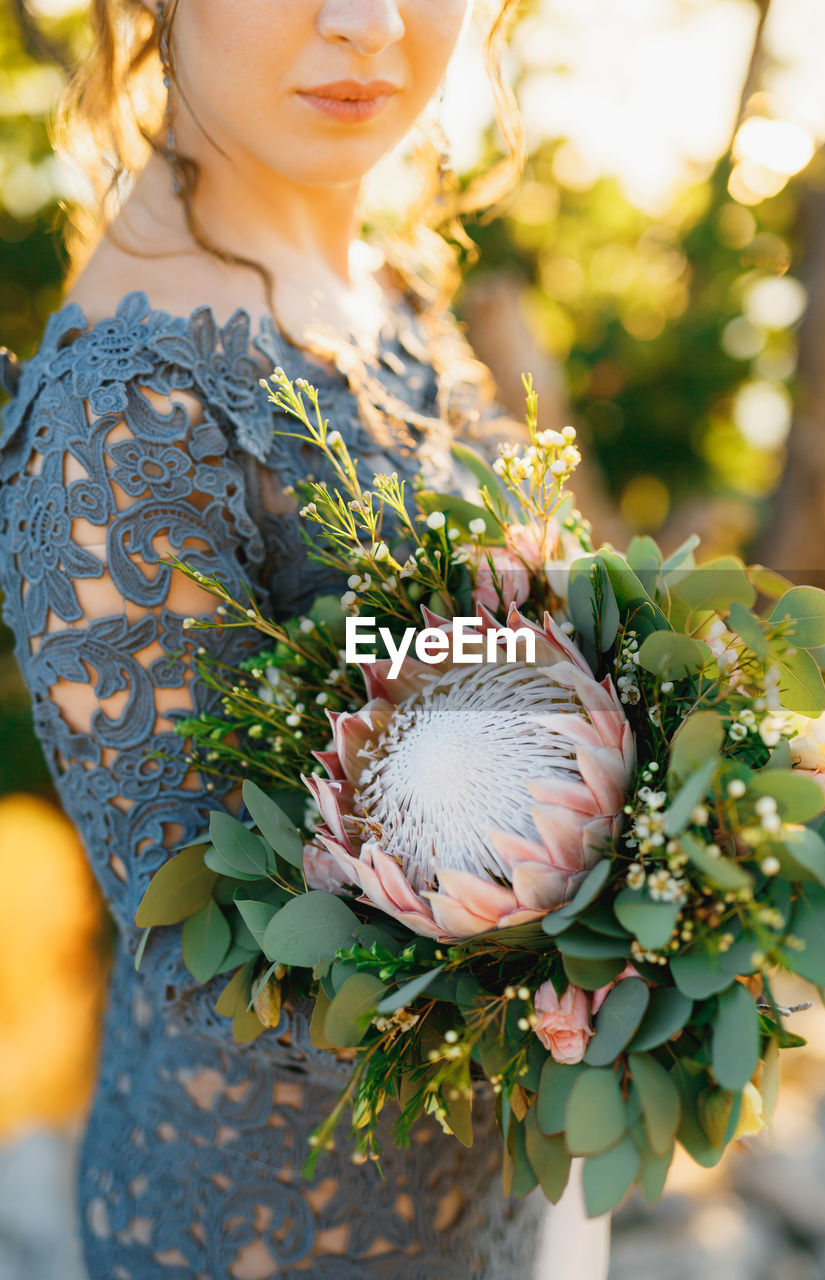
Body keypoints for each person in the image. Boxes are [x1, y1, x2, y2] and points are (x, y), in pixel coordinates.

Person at [0, 1, 611, 1275]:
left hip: (498, 1183)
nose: (370, 22)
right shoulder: (125, 414)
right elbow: (229, 961)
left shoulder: (387, 281)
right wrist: (626, 948)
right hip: (279, 1225)